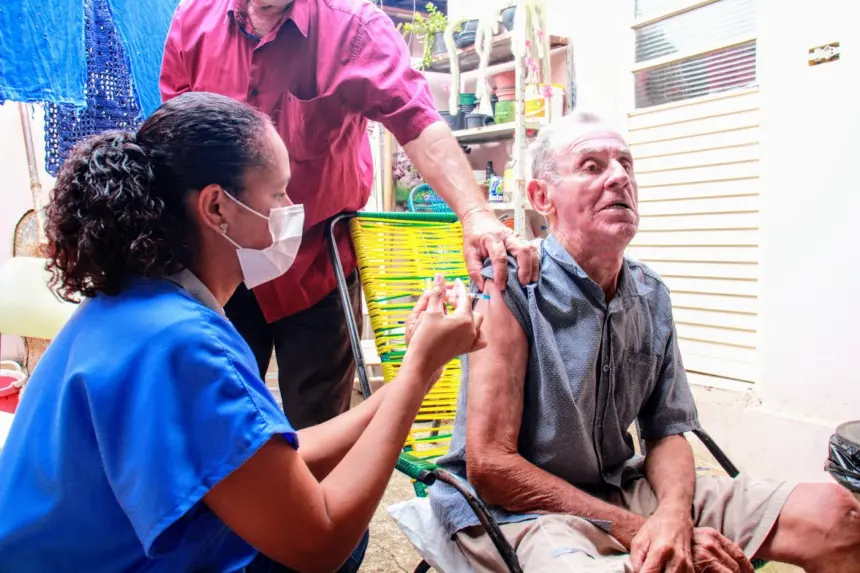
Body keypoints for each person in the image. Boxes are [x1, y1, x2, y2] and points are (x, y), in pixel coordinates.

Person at [0, 92, 486, 573]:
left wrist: (414, 372)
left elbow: (270, 461)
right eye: (278, 194)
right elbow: (320, 543)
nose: (292, 208)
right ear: (217, 208)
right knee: (342, 538)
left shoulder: (137, 305)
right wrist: (421, 367)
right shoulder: (184, 345)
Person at [429, 111, 860, 573]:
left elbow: (668, 430)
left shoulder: (650, 293)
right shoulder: (510, 287)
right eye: (592, 166)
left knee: (840, 517)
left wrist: (673, 518)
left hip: (619, 485)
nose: (619, 177)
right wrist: (639, 528)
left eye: (625, 165)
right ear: (542, 197)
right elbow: (493, 468)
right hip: (520, 509)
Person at [159, 0, 539, 431]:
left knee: (320, 422)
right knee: (211, 420)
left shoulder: (354, 27)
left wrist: (476, 213)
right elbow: (175, 144)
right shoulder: (193, 20)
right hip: (222, 265)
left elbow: (416, 120)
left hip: (316, 267)